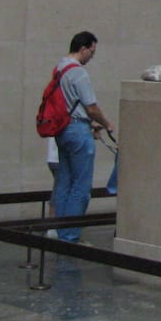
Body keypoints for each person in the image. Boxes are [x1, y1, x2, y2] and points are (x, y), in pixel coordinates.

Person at [51, 31, 115, 243]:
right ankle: (70, 236)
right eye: (92, 52)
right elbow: (91, 106)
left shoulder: (60, 67)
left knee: (64, 182)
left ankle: (59, 231)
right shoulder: (78, 72)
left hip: (63, 130)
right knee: (81, 186)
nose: (92, 56)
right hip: (78, 131)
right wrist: (106, 123)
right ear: (83, 48)